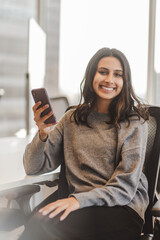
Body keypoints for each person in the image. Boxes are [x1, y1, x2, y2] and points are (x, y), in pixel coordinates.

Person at [19, 47, 149, 240]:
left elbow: (125, 188)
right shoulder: (72, 118)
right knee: (36, 224)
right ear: (91, 75)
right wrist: (43, 134)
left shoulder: (134, 122)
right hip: (78, 203)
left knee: (46, 230)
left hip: (122, 206)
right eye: (103, 72)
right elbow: (33, 166)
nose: (109, 80)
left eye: (118, 74)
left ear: (125, 81)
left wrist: (76, 201)